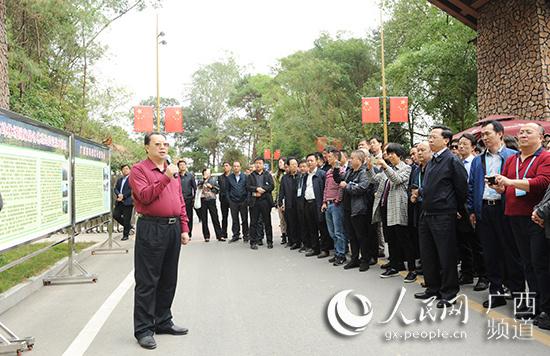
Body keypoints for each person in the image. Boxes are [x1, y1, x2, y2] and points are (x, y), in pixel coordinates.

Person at [129, 132, 190, 350]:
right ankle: (144, 329)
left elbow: (179, 200)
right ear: (147, 147)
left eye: (165, 144)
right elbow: (145, 196)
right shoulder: (139, 170)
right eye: (157, 144)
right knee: (147, 280)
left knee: (168, 278)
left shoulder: (172, 171)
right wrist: (166, 177)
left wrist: (184, 227)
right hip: (151, 227)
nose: (163, 148)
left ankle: (163, 321)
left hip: (172, 228)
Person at [495, 123, 550, 329]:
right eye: (521, 132)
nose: (523, 135)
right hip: (513, 216)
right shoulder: (512, 159)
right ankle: (533, 305)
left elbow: (542, 182)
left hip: (536, 218)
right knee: (526, 263)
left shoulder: (545, 158)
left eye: (528, 132)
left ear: (542, 138)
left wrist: (510, 182)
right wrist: (500, 186)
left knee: (539, 264)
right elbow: (506, 186)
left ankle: (546, 308)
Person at [467, 120, 524, 309]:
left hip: (506, 208)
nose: (484, 138)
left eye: (488, 134)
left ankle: (518, 295)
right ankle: (496, 292)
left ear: (500, 134)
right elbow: (472, 186)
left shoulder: (514, 156)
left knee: (511, 253)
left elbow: (519, 184)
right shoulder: (477, 160)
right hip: (485, 209)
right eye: (482, 135)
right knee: (490, 253)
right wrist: (473, 210)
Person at [413, 126, 468, 308]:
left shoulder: (452, 160)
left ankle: (449, 292)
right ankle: (433, 288)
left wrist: (455, 208)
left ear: (446, 140)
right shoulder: (432, 161)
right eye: (429, 136)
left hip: (443, 214)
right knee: (428, 254)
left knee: (446, 254)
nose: (430, 139)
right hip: (426, 213)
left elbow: (461, 188)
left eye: (433, 137)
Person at [367, 143, 414, 282]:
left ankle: (411, 269)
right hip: (386, 209)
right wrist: (369, 168)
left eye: (391, 153)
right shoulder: (389, 169)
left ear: (399, 154)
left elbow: (397, 179)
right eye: (388, 153)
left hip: (399, 209)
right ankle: (395, 265)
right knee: (391, 240)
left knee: (404, 240)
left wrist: (385, 167)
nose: (389, 156)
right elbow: (374, 179)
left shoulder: (406, 168)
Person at [457, 134, 488, 291]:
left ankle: (483, 276)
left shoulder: (476, 163)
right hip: (460, 209)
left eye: (464, 144)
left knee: (477, 244)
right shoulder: (457, 162)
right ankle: (467, 273)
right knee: (463, 242)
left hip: (473, 208)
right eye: (459, 144)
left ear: (473, 147)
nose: (461, 147)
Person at [340, 150, 372, 271]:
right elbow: (340, 180)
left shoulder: (364, 172)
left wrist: (347, 186)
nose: (350, 160)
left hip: (359, 208)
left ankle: (365, 260)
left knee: (361, 235)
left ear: (359, 160)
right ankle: (354, 259)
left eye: (352, 158)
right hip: (348, 208)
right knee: (351, 235)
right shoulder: (349, 171)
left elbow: (362, 188)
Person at [322, 148, 348, 266]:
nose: (328, 158)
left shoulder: (341, 171)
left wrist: (338, 199)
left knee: (339, 231)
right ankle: (337, 252)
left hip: (337, 204)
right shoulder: (328, 172)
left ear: (336, 157)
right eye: (327, 156)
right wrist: (324, 202)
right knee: (332, 232)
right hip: (328, 204)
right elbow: (326, 188)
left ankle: (341, 254)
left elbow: (341, 187)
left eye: (330, 156)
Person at [302, 153, 329, 258]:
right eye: (308, 161)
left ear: (317, 161)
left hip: (318, 203)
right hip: (308, 203)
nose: (309, 162)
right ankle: (315, 248)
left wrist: (324, 202)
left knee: (321, 226)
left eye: (311, 160)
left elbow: (325, 189)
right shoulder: (306, 176)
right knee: (311, 227)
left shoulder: (322, 174)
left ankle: (324, 249)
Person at [247, 157, 274, 250]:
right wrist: (256, 189)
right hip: (254, 202)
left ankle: (270, 241)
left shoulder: (267, 175)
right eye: (256, 163)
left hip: (265, 201)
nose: (258, 165)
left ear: (263, 165)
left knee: (267, 222)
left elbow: (272, 186)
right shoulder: (250, 176)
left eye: (260, 163)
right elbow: (248, 187)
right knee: (253, 222)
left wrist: (263, 189)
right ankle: (253, 242)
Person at [278, 157, 301, 250]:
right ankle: (291, 240)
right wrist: (280, 202)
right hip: (289, 203)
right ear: (288, 166)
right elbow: (281, 191)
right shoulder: (285, 178)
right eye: (292, 164)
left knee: (299, 223)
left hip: (299, 204)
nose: (295, 166)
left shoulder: (301, 176)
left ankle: (299, 242)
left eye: (296, 164)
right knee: (290, 222)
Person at [198, 168, 224, 242]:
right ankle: (206, 236)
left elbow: (218, 190)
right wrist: (203, 181)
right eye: (206, 172)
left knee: (215, 218)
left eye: (208, 172)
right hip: (202, 201)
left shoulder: (213, 181)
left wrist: (211, 187)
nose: (207, 174)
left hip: (211, 200)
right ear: (203, 173)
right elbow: (198, 188)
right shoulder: (200, 181)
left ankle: (219, 235)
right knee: (204, 219)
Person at [227, 161, 249, 243]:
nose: (236, 167)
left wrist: (247, 199)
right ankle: (236, 235)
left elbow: (248, 189)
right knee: (235, 219)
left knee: (244, 219)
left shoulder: (245, 177)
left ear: (240, 167)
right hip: (233, 202)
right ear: (233, 167)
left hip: (243, 201)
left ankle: (246, 235)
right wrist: (230, 201)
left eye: (237, 166)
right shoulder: (229, 178)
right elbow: (227, 190)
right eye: (234, 166)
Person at [113, 164, 134, 241]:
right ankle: (129, 227)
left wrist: (123, 196)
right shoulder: (120, 180)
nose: (125, 170)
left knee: (126, 219)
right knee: (115, 215)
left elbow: (132, 190)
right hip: (119, 201)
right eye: (124, 169)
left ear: (130, 170)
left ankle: (126, 235)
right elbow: (115, 189)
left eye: (127, 168)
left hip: (128, 202)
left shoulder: (132, 179)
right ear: (121, 171)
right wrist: (118, 194)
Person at [178, 160, 196, 240]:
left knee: (189, 217)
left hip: (189, 199)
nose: (182, 166)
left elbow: (194, 188)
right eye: (180, 165)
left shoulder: (190, 176)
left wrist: (194, 198)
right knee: (179, 217)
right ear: (178, 166)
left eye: (183, 165)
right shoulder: (176, 176)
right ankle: (180, 233)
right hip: (178, 200)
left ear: (186, 166)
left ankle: (189, 233)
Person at [273, 158, 288, 244]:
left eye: (281, 162)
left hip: (288, 198)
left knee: (289, 218)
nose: (280, 164)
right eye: (279, 163)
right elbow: (275, 188)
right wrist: (275, 199)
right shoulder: (277, 175)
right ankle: (284, 235)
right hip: (280, 197)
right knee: (282, 218)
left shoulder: (289, 173)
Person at [217, 162, 232, 239]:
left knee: (234, 217)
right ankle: (224, 233)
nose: (225, 167)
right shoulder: (220, 177)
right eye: (224, 166)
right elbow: (220, 188)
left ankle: (236, 233)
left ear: (230, 167)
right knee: (224, 217)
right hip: (223, 199)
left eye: (227, 165)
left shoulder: (233, 176)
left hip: (232, 199)